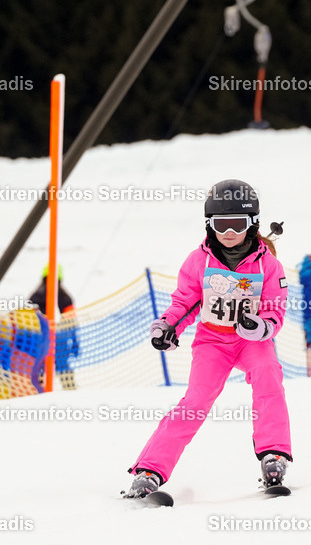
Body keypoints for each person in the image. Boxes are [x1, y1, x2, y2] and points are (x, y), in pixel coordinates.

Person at [124, 179, 291, 499]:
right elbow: (185, 303)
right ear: (209, 225)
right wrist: (167, 327)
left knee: (268, 373)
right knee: (196, 401)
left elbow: (275, 310)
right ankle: (149, 471)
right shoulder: (198, 261)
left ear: (252, 224)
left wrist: (260, 327)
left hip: (249, 341)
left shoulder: (268, 265)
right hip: (213, 341)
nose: (229, 232)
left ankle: (274, 455)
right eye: (220, 224)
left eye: (237, 224)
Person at [29, 264, 79, 390]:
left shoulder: (35, 295)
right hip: (58, 339)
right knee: (63, 366)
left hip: (39, 338)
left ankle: (36, 391)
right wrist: (74, 342)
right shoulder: (64, 296)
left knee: (38, 366)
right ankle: (70, 390)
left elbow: (28, 319)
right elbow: (71, 321)